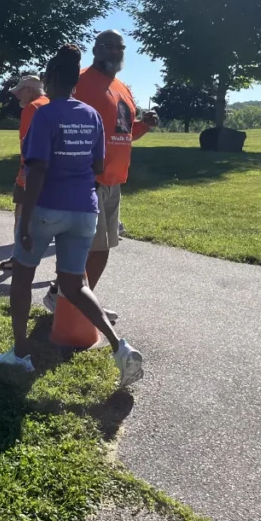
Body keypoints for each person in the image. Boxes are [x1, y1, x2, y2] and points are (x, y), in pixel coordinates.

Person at [0, 43, 144, 387]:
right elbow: (98, 165)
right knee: (75, 285)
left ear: (48, 80)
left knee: (23, 278)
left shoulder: (44, 113)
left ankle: (19, 354)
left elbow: (37, 170)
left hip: (46, 207)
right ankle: (120, 347)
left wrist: (26, 219)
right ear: (75, 81)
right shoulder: (90, 114)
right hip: (84, 209)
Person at [47, 29, 158, 310]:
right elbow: (58, 120)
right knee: (82, 249)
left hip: (114, 180)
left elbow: (124, 133)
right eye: (108, 46)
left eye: (119, 47)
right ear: (95, 50)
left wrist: (144, 125)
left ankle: (82, 303)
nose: (114, 51)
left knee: (102, 250)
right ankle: (66, 304)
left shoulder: (123, 88)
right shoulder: (80, 82)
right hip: (87, 179)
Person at [0, 74, 48, 271]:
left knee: (21, 215)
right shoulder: (50, 103)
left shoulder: (32, 108)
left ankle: (19, 258)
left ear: (28, 90)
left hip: (31, 171)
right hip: (51, 172)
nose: (17, 96)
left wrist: (24, 176)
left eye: (19, 91)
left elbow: (27, 145)